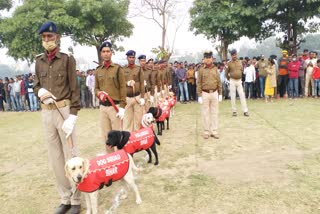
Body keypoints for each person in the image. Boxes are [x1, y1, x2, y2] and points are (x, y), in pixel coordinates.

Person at [33, 21, 81, 214]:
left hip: (64, 111)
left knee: (72, 155)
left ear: (57, 37)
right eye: (44, 37)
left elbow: (74, 88)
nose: (47, 40)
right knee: (55, 158)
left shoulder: (67, 59)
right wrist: (39, 91)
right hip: (46, 113)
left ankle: (77, 200)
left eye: (50, 37)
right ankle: (65, 198)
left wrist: (73, 116)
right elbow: (36, 84)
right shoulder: (38, 60)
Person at [94, 41, 126, 152]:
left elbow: (123, 88)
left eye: (108, 51)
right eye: (104, 51)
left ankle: (121, 159)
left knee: (118, 136)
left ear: (111, 53)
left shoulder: (118, 69)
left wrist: (122, 107)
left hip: (115, 107)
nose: (106, 53)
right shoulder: (98, 70)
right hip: (103, 108)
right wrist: (99, 94)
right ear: (101, 54)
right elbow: (96, 89)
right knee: (106, 137)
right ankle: (110, 159)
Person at [197, 51, 222, 139]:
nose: (208, 59)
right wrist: (199, 95)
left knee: (215, 113)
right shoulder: (201, 69)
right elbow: (199, 83)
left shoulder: (215, 69)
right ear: (204, 59)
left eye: (209, 57)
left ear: (212, 59)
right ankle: (206, 131)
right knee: (205, 113)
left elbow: (219, 81)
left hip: (214, 93)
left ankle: (214, 131)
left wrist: (220, 93)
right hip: (205, 93)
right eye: (206, 58)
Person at [123, 50, 145, 132]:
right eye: (130, 57)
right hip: (127, 98)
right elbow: (121, 83)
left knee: (138, 120)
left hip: (137, 97)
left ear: (135, 58)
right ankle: (128, 140)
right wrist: (127, 82)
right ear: (127, 58)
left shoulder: (138, 69)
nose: (131, 59)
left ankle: (137, 139)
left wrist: (142, 97)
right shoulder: (123, 69)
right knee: (127, 121)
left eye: (133, 57)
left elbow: (142, 83)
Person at [225, 49, 249, 117]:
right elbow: (226, 73)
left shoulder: (240, 62)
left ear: (236, 54)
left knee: (242, 95)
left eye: (235, 54)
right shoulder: (229, 63)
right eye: (233, 55)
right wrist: (229, 79)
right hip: (232, 80)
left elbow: (242, 70)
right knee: (233, 96)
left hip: (239, 81)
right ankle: (234, 111)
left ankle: (245, 111)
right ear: (231, 55)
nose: (234, 56)